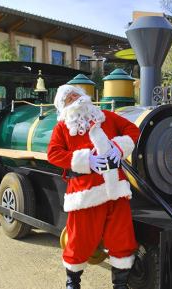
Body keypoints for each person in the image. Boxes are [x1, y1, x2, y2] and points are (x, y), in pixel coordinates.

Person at [47, 85, 140, 289]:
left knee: (121, 237)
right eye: (68, 98)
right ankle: (73, 283)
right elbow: (53, 154)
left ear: (84, 96)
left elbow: (132, 130)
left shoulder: (106, 116)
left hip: (115, 188)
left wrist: (119, 147)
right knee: (79, 240)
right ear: (63, 107)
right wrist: (85, 159)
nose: (73, 98)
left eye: (75, 94)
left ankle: (120, 285)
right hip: (84, 193)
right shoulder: (62, 127)